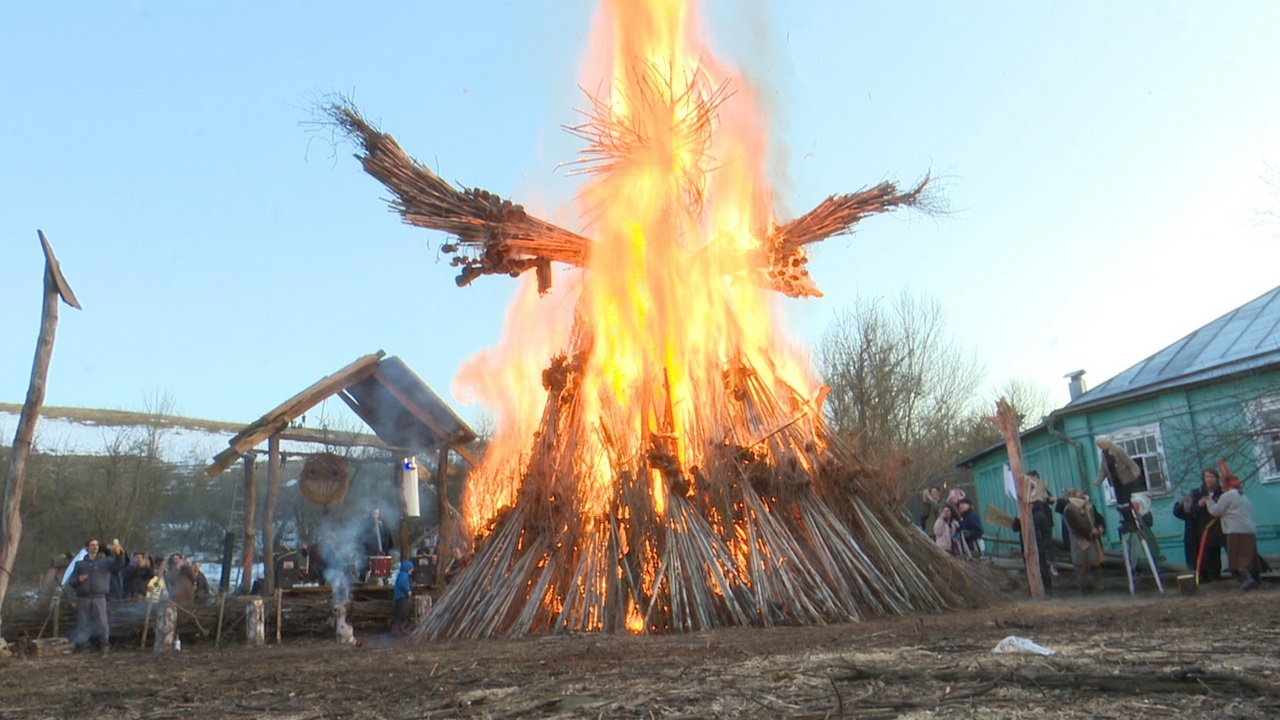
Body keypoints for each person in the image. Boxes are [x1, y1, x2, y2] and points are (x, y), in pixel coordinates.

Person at [1205, 475, 1264, 591]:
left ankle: (1247, 580)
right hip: (1249, 530)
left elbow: (1216, 511)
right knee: (1250, 556)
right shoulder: (1242, 495)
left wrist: (1208, 500)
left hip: (1235, 530)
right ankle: (1257, 579)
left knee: (1237, 556)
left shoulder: (1228, 495)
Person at [1174, 468, 1224, 581]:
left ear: (1216, 478)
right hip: (1201, 529)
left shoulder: (1222, 493)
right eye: (1207, 477)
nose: (1209, 479)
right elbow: (1191, 510)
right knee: (1204, 555)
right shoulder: (1197, 492)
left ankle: (1217, 576)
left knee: (1216, 554)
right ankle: (1205, 577)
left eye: (1212, 476)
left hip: (1219, 528)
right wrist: (1199, 505)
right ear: (1203, 479)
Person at [1054, 489, 1105, 593]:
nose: (1081, 494)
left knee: (1096, 564)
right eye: (1078, 493)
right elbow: (1075, 526)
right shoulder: (1069, 509)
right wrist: (1090, 532)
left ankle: (1099, 588)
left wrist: (1100, 528)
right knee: (1082, 565)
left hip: (1093, 540)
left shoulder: (1089, 506)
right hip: (1079, 541)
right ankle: (1083, 590)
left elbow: (1099, 519)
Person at [1010, 476, 1055, 594]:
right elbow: (1015, 528)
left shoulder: (1039, 515)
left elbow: (1047, 532)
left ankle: (1047, 590)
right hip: (1026, 546)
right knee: (1029, 569)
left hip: (1038, 545)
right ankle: (1033, 590)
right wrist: (1018, 518)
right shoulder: (1022, 515)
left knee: (1042, 568)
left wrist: (1043, 545)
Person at [68, 539, 114, 653]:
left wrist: (119, 553)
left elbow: (119, 563)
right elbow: (71, 580)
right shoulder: (80, 564)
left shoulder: (105, 562)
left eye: (97, 545)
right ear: (87, 548)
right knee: (83, 623)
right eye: (92, 545)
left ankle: (104, 646)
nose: (95, 547)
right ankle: (84, 646)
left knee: (102, 623)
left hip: (99, 597)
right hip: (84, 598)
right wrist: (78, 579)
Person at [392, 559, 415, 634]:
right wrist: (408, 591)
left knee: (402, 613)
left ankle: (400, 628)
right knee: (401, 613)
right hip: (401, 597)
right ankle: (397, 629)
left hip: (400, 597)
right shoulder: (403, 575)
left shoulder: (402, 575)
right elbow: (403, 584)